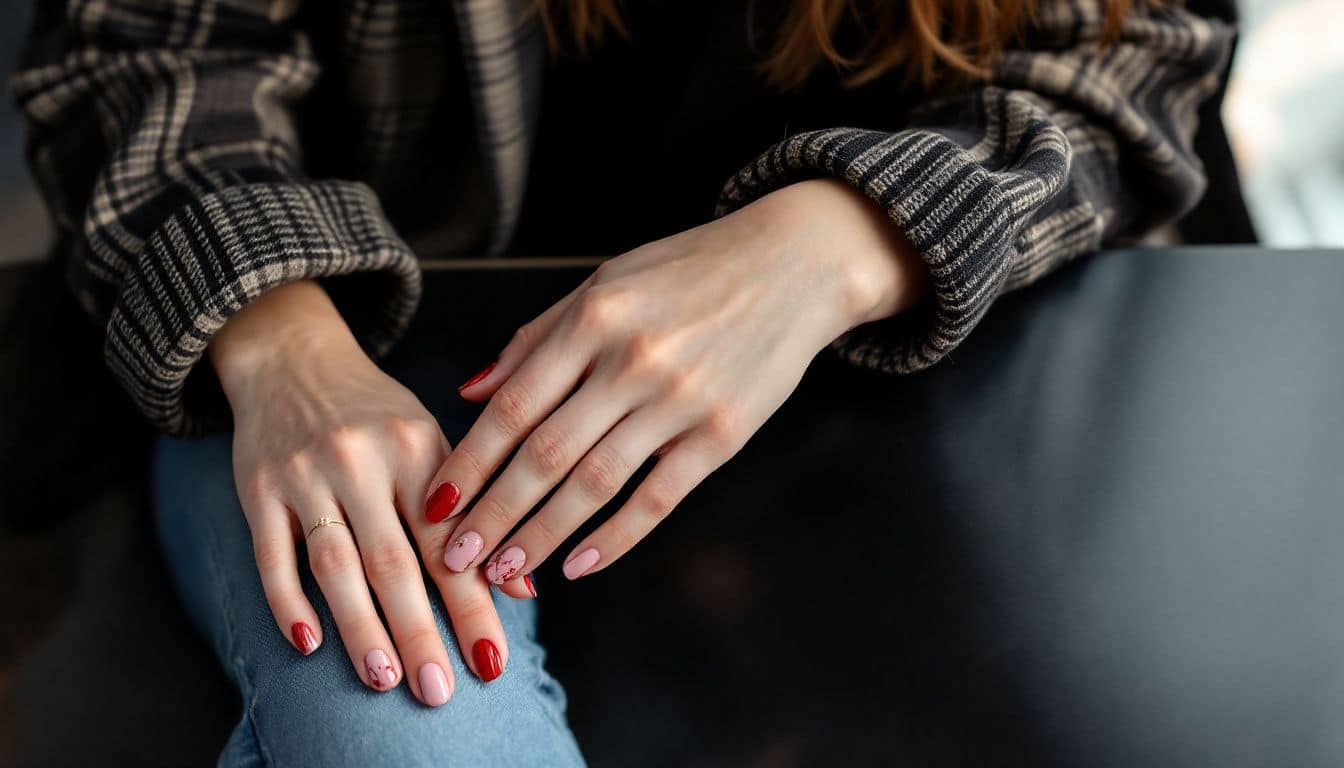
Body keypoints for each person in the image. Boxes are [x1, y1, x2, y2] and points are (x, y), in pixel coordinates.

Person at [9, 0, 1234, 764]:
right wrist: (283, 341)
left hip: (874, 391)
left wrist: (838, 241)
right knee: (400, 727)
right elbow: (139, 50)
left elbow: (1151, 66)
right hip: (358, 359)